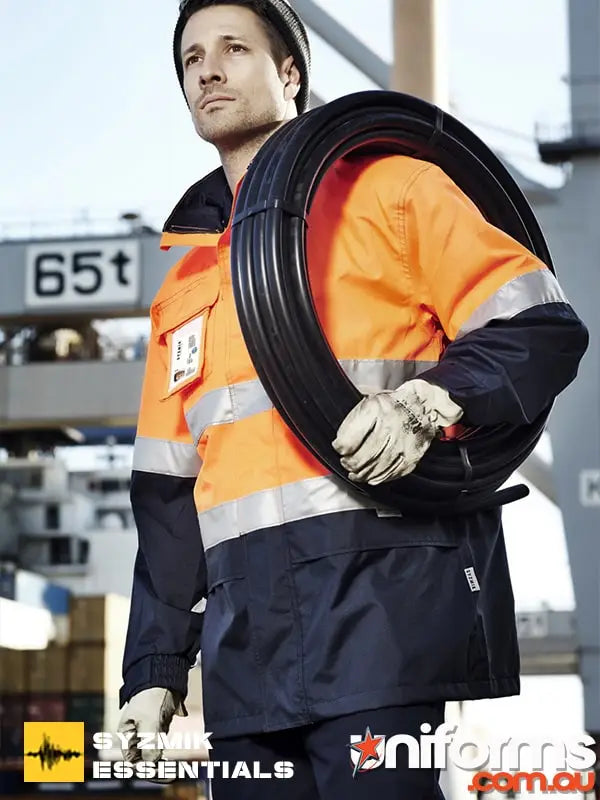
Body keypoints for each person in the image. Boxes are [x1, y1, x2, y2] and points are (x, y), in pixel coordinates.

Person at [117, 1, 589, 798]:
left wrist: (428, 404)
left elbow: (541, 328)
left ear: (290, 74)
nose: (207, 68)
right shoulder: (184, 287)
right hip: (245, 653)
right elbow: (169, 495)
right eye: (192, 57)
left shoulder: (393, 192)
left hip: (382, 616)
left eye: (234, 48)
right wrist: (152, 669)